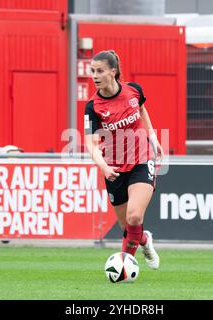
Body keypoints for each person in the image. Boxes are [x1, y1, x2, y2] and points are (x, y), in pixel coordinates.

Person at [84, 50, 164, 269]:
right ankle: (145, 241)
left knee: (135, 216)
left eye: (100, 71)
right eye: (93, 71)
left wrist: (153, 136)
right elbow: (90, 143)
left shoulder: (134, 91)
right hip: (114, 167)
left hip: (141, 158)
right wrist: (103, 167)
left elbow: (142, 110)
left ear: (113, 71)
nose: (95, 76)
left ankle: (124, 267)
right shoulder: (92, 107)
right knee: (128, 228)